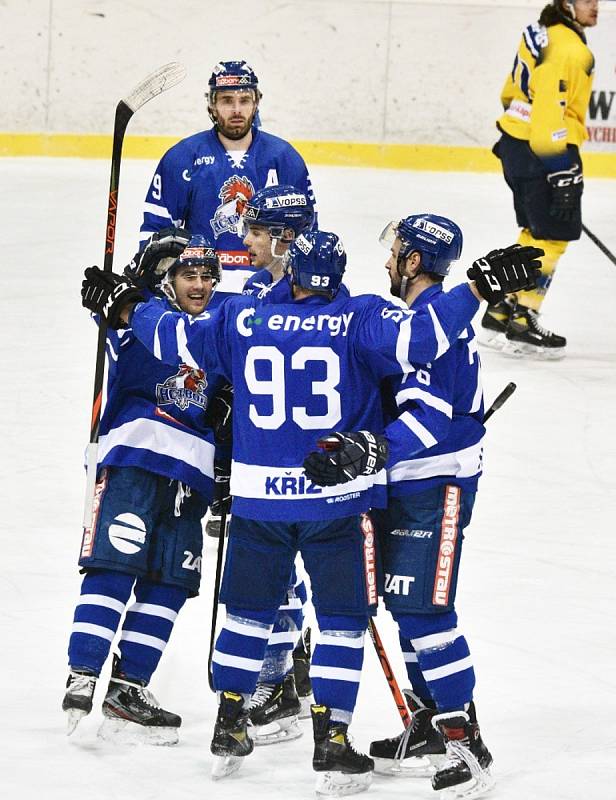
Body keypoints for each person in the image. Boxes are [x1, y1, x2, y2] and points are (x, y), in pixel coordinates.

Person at [81, 230, 540, 793]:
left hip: (261, 502)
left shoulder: (242, 320)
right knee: (344, 622)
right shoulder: (363, 318)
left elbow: (172, 334)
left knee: (248, 611)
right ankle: (335, 740)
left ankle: (230, 722)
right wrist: (477, 287)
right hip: (338, 501)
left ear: (291, 272)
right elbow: (424, 338)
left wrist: (127, 306)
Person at [63, 235, 225, 744]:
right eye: (186, 275)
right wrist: (113, 295)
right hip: (134, 462)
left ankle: (127, 689)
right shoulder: (141, 320)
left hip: (192, 478)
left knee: (173, 581)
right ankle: (83, 673)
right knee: (116, 563)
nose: (198, 285)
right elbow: (107, 310)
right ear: (163, 280)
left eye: (205, 276)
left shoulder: (220, 331)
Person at [358, 215, 493, 799]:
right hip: (407, 485)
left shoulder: (437, 329)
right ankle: (433, 724)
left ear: (414, 262)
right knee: (404, 605)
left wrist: (373, 451)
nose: (389, 261)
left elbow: (430, 420)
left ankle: (466, 739)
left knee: (425, 611)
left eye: (397, 253)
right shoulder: (424, 319)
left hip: (434, 486)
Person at [139, 60, 316, 298]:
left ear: (257, 102)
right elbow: (155, 232)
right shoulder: (181, 159)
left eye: (244, 100)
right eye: (226, 101)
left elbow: (306, 233)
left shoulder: (285, 159)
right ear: (211, 105)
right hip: (202, 293)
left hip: (270, 292)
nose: (236, 110)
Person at [482, 0, 599, 359]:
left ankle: (502, 309)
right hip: (545, 149)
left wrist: (520, 136)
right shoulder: (570, 49)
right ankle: (523, 320)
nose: (595, 6)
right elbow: (550, 113)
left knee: (535, 232)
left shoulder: (541, 34)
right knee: (554, 237)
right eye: (587, 0)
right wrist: (562, 169)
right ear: (567, 4)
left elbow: (508, 94)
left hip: (517, 145)